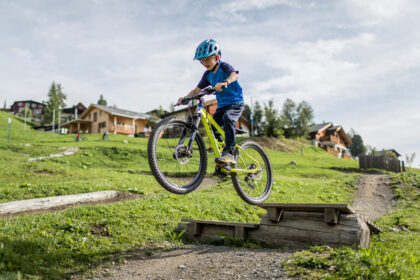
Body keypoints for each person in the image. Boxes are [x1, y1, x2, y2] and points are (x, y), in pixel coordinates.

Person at [178, 39, 244, 165]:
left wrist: (225, 83)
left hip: (235, 102)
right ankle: (223, 161)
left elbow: (234, 75)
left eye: (207, 59)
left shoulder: (224, 67)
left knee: (228, 118)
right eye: (202, 60)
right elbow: (197, 90)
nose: (204, 62)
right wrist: (185, 98)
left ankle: (229, 152)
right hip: (222, 106)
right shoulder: (207, 75)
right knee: (213, 130)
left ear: (217, 57)